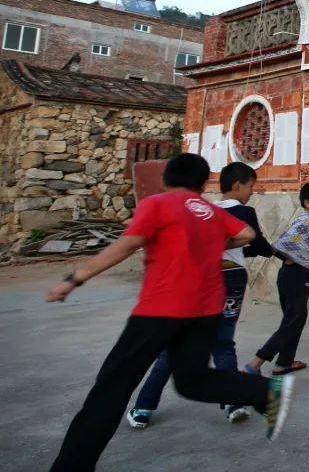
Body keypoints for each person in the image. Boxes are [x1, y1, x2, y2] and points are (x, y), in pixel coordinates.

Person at [45, 153, 294, 472]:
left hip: (160, 309)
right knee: (192, 381)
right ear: (202, 184)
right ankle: (265, 392)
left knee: (111, 388)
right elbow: (246, 234)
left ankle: (71, 466)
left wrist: (74, 278)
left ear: (166, 179)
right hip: (205, 311)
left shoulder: (158, 203)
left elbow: (127, 245)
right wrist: (210, 244)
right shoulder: (211, 211)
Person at [127, 161, 275, 429]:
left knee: (173, 347)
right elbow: (257, 243)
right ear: (237, 185)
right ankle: (233, 402)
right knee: (223, 341)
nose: (252, 192)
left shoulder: (206, 210)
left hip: (201, 280)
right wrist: (276, 252)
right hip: (231, 279)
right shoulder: (244, 212)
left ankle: (143, 407)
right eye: (251, 186)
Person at [246, 181, 309, 376]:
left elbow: (280, 247)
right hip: (298, 276)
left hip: (285, 274)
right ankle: (255, 363)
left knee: (293, 320)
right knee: (293, 321)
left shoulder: (300, 219)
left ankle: (284, 362)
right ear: (308, 202)